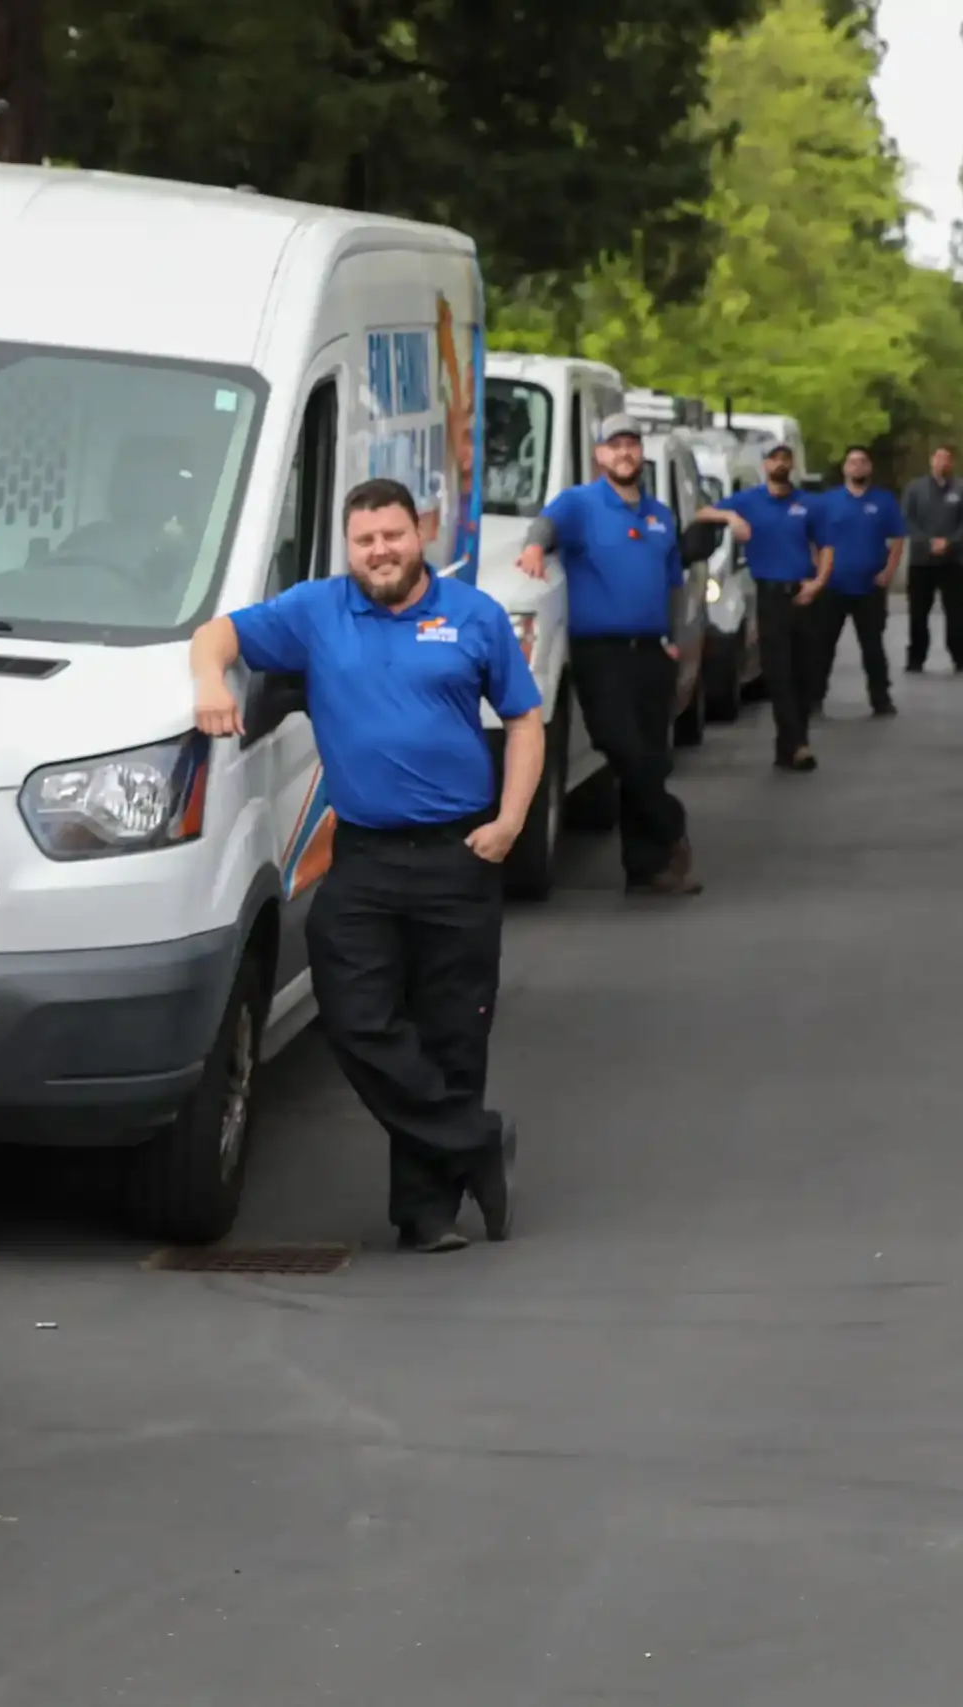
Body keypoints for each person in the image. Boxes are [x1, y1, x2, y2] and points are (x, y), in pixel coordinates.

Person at [189, 477, 544, 1254]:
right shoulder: (317, 611)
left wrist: (510, 822)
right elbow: (216, 634)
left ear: (417, 533)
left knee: (454, 1033)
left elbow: (524, 719)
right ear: (348, 547)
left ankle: (427, 1214)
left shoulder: (473, 615)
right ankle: (476, 1139)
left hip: (461, 854)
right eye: (364, 540)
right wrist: (209, 680)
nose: (380, 550)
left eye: (392, 534)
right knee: (354, 1017)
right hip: (366, 858)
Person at [514, 415, 749, 895]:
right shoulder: (581, 503)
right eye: (614, 445)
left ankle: (647, 869)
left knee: (653, 757)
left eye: (632, 445)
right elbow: (546, 524)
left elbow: (670, 581)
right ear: (600, 455)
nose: (624, 453)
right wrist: (535, 550)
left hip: (651, 654)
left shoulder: (660, 515)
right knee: (622, 748)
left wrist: (670, 639)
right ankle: (671, 824)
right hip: (601, 653)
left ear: (641, 454)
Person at [714, 440, 832, 770]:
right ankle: (799, 745)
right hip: (770, 596)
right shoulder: (749, 500)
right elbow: (703, 512)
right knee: (779, 673)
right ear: (765, 465)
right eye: (774, 459)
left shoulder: (809, 504)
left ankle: (789, 746)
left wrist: (819, 583)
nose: (780, 463)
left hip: (804, 593)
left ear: (791, 465)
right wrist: (729, 517)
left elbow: (826, 547)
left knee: (806, 674)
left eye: (785, 458)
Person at [808, 444, 907, 718]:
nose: (857, 467)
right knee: (822, 647)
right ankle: (814, 700)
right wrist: (818, 571)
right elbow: (811, 537)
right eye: (852, 462)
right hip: (833, 586)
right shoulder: (827, 502)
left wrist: (888, 572)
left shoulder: (884, 501)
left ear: (869, 467)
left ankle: (881, 700)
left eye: (863, 462)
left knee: (872, 647)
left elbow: (897, 539)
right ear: (844, 468)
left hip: (870, 587)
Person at [900, 442, 963, 673]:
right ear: (931, 460)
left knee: (956, 614)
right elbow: (907, 520)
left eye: (946, 458)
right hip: (921, 563)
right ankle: (915, 659)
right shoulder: (915, 489)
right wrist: (927, 542)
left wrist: (950, 542)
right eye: (938, 458)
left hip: (952, 563)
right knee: (917, 615)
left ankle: (961, 659)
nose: (942, 462)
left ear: (951, 463)